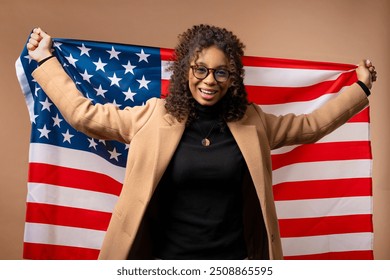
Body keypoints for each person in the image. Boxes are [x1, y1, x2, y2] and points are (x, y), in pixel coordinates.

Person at [27, 24, 377, 260]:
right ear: (185, 71)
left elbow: (310, 126)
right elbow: (83, 115)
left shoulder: (252, 122)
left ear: (232, 77)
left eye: (221, 71)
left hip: (236, 263)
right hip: (163, 263)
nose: (210, 80)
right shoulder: (152, 116)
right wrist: (44, 59)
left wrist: (359, 88)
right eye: (200, 69)